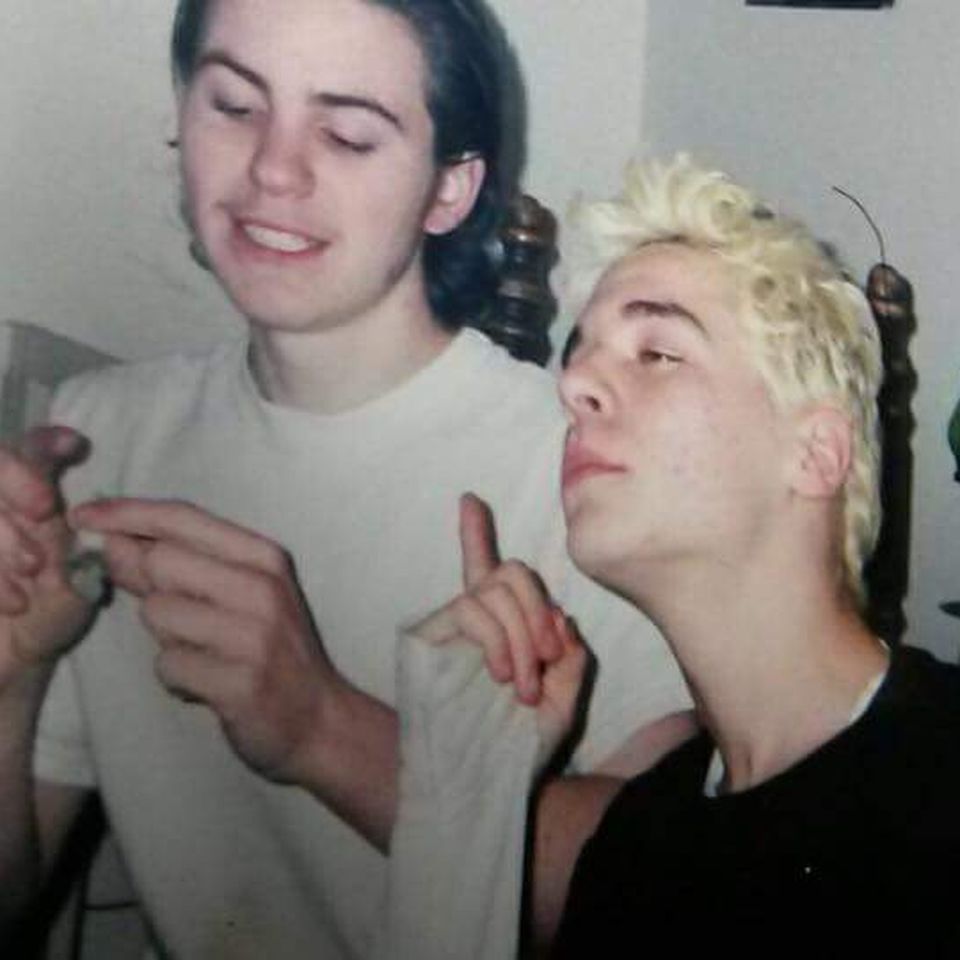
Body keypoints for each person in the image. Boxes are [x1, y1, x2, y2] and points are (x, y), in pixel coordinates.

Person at [0, 2, 692, 957]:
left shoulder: (577, 468)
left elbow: (672, 903)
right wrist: (12, 678)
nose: (273, 169)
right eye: (235, 105)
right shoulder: (96, 438)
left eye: (349, 134)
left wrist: (319, 725)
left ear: (449, 189)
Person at [407, 153, 960, 956]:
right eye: (578, 355)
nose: (574, 386)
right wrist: (458, 798)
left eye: (658, 352)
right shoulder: (636, 847)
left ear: (814, 454)